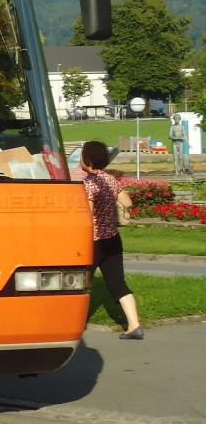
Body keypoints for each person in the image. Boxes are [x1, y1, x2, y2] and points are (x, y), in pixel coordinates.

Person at [80, 140, 143, 339]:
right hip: (113, 240)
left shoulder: (88, 183)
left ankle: (75, 323)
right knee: (118, 284)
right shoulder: (110, 179)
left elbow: (87, 216)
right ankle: (134, 325)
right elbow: (127, 202)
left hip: (93, 241)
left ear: (87, 159)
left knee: (79, 284)